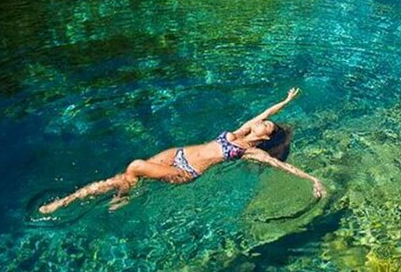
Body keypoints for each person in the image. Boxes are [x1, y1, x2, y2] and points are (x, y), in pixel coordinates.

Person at [39, 87, 326, 213]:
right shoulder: (241, 130)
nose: (263, 122)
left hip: (185, 171)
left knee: (136, 166)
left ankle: (121, 198)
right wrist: (285, 101)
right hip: (176, 154)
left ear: (265, 138)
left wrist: (313, 179)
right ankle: (66, 201)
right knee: (121, 176)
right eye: (263, 121)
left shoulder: (252, 152)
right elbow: (265, 110)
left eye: (268, 125)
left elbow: (283, 167)